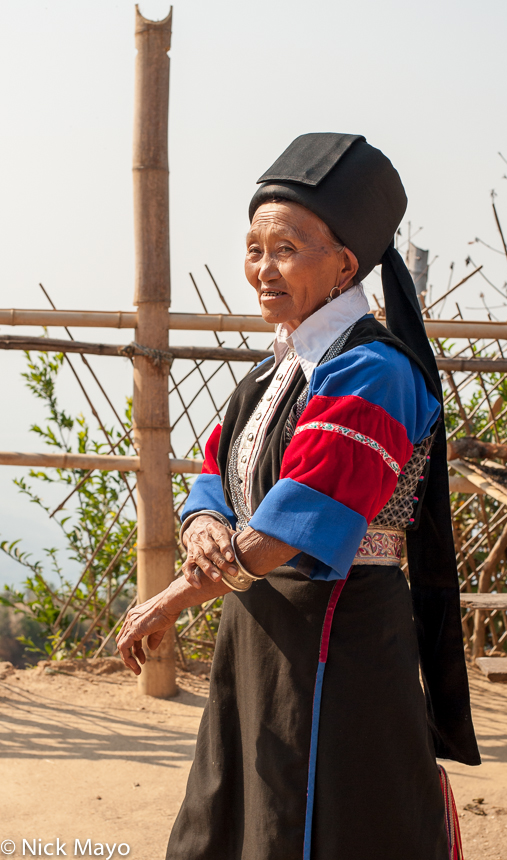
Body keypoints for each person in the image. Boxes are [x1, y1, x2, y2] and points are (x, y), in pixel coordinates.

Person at [117, 132, 480, 860]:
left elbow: (296, 522)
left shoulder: (372, 371)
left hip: (339, 638)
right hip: (257, 628)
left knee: (330, 820)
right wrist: (201, 530)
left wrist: (170, 600)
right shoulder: (271, 371)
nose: (261, 269)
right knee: (242, 807)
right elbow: (214, 474)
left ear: (346, 263)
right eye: (254, 248)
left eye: (285, 248)